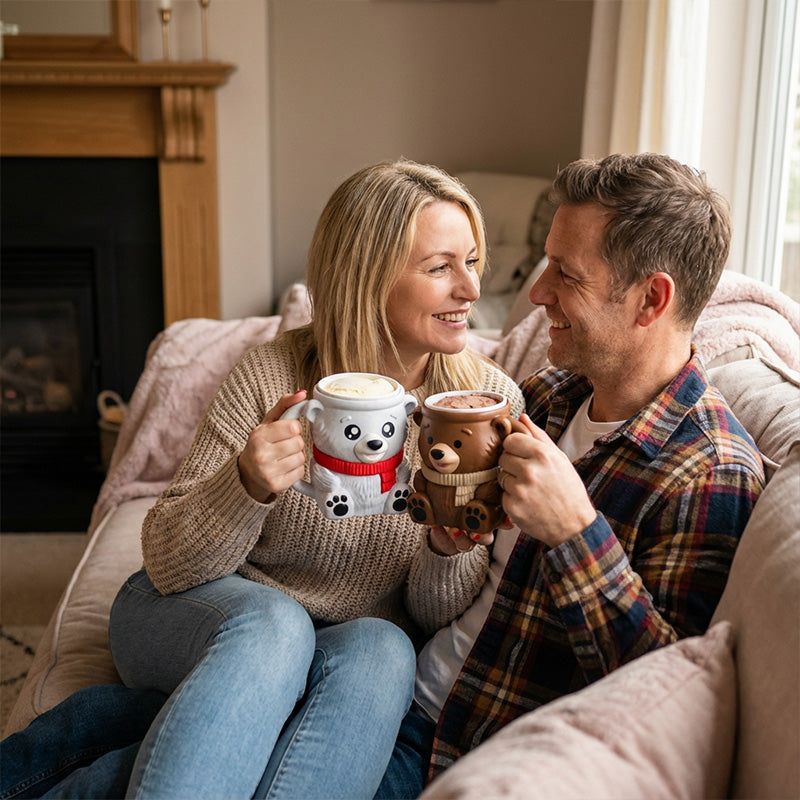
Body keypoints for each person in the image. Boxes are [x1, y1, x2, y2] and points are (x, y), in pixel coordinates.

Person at [0, 159, 523, 800]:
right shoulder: (272, 375)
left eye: (473, 261)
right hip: (203, 612)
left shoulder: (485, 406)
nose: (469, 289)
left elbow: (436, 615)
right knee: (277, 626)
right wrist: (244, 485)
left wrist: (446, 548)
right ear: (367, 277)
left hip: (350, 638)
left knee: (388, 651)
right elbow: (167, 562)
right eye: (441, 267)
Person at [375, 152, 766, 798]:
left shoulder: (710, 474)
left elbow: (664, 703)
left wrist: (574, 532)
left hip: (462, 752)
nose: (536, 293)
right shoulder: (549, 397)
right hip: (397, 692)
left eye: (566, 274)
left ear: (652, 299)